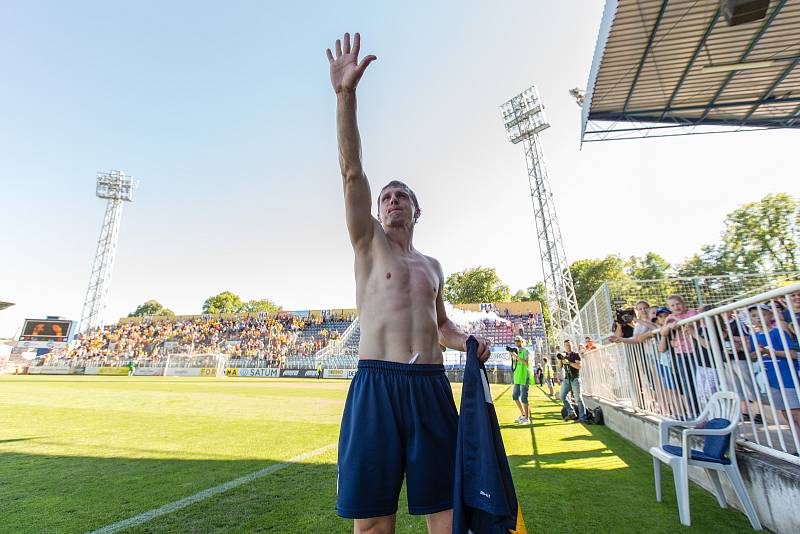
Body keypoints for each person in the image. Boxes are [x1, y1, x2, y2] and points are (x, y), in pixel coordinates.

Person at [326, 33, 491, 534]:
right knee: (373, 522)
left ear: (418, 210)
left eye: (402, 196)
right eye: (387, 196)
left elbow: (441, 326)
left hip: (430, 388)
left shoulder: (434, 266)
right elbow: (352, 171)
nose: (393, 199)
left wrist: (470, 342)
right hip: (376, 382)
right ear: (377, 211)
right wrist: (345, 96)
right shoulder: (367, 244)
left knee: (444, 512)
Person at [558, 340, 587, 422]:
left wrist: (569, 363)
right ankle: (571, 412)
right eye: (566, 345)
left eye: (569, 345)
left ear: (572, 345)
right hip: (567, 379)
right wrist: (560, 360)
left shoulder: (576, 355)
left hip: (575, 378)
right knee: (562, 396)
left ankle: (583, 417)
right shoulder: (563, 355)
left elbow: (579, 366)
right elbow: (559, 368)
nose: (568, 346)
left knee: (578, 398)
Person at [510, 335, 531, 425]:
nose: (516, 342)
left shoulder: (526, 351)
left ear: (522, 341)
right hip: (517, 377)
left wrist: (517, 357)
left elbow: (526, 363)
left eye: (518, 340)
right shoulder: (516, 351)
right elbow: (514, 364)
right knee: (515, 396)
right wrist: (512, 356)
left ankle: (527, 418)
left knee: (523, 398)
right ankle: (523, 414)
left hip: (524, 376)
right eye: (515, 341)